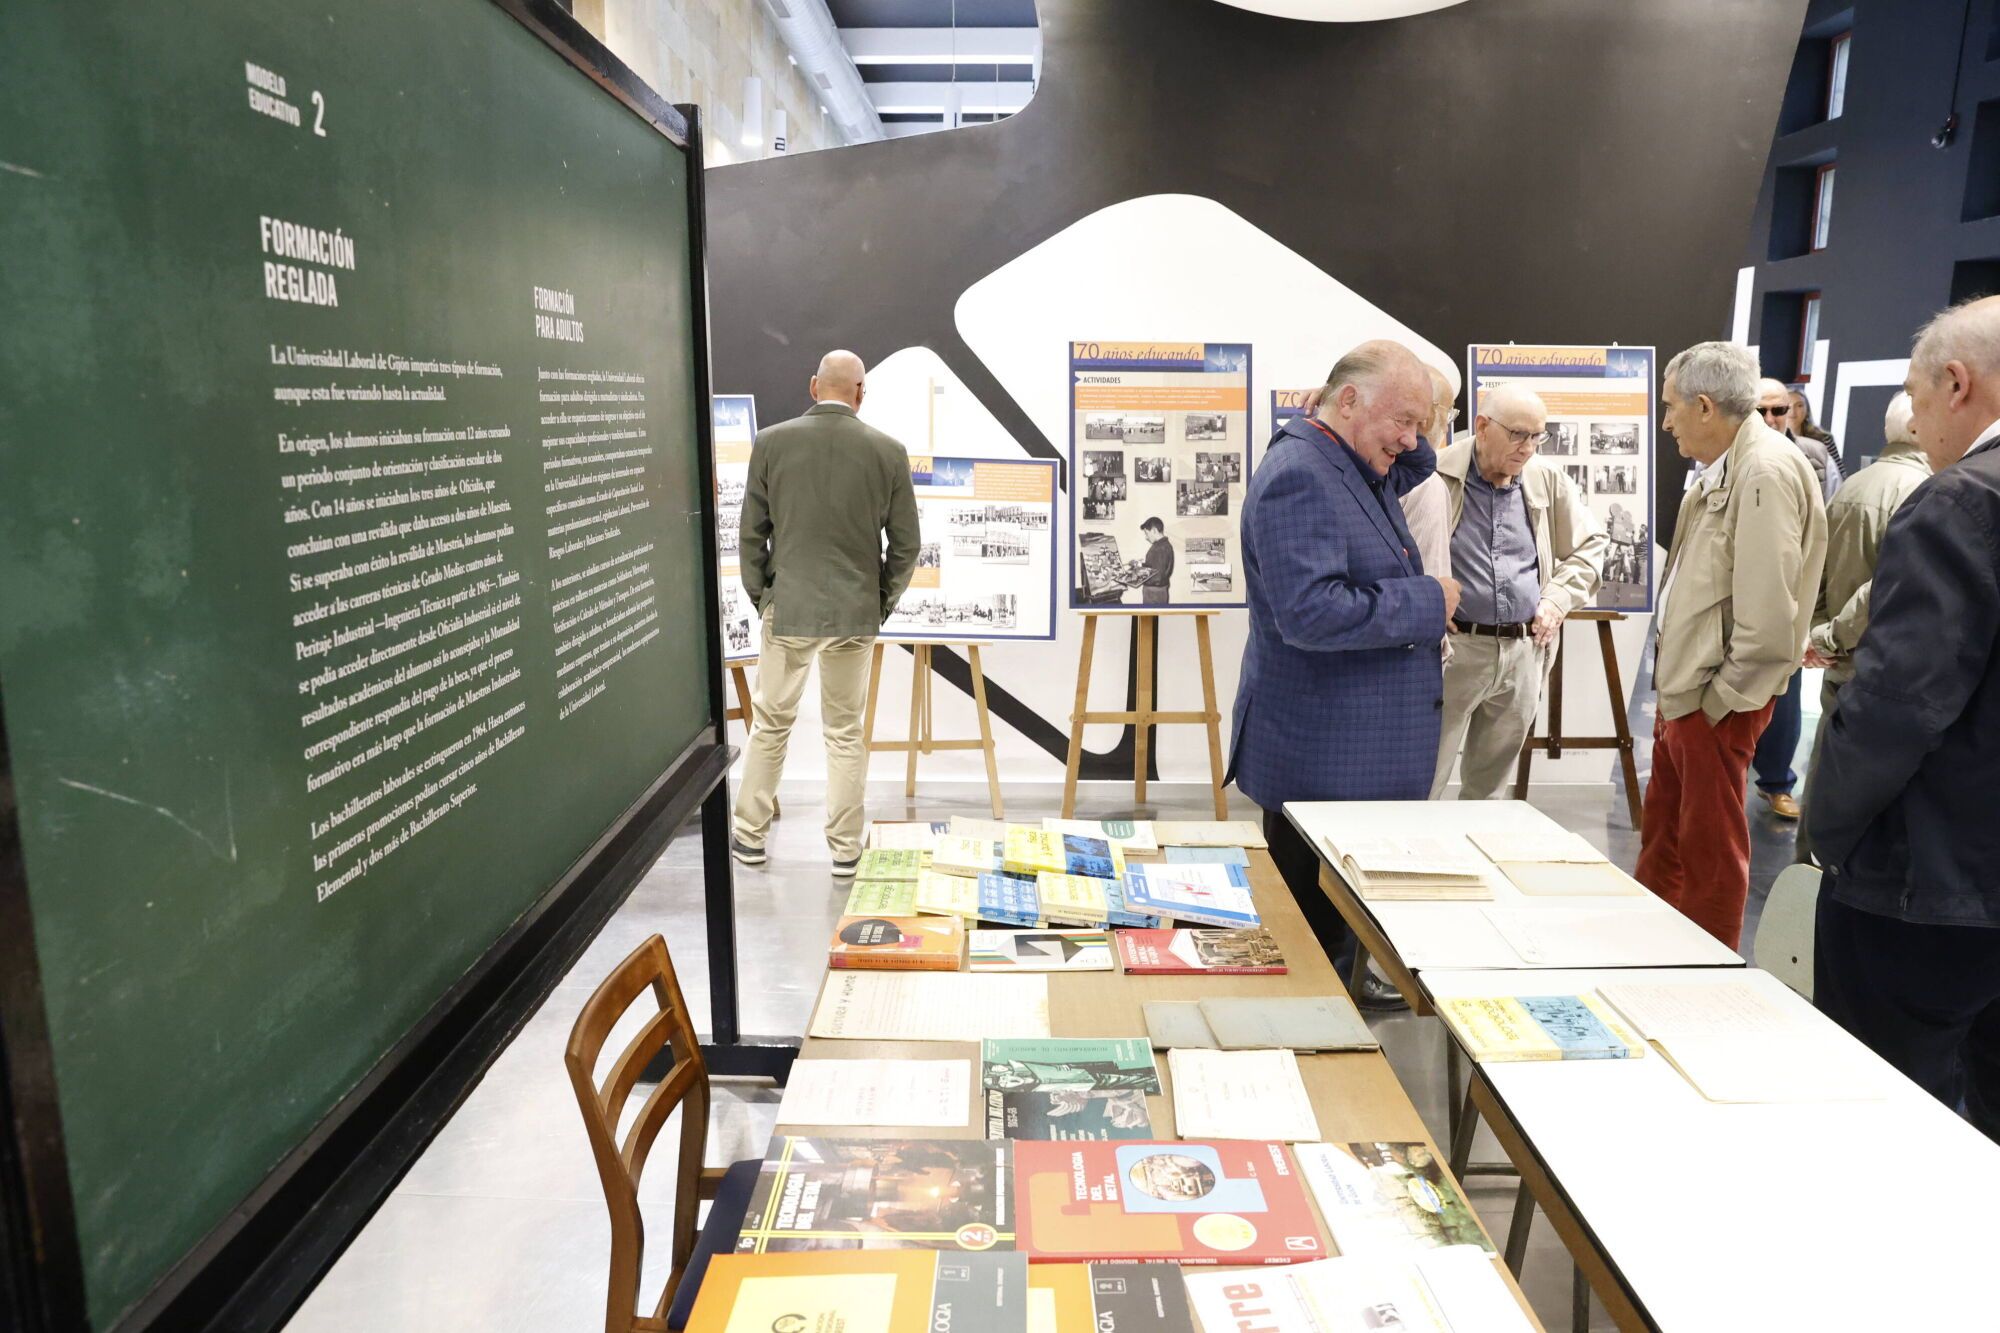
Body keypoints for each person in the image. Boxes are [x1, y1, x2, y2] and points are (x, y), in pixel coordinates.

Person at [1809, 296, 2000, 1142]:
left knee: (1882, 1124)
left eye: (1919, 405)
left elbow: (1896, 709)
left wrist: (1828, 830)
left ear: (1957, 384)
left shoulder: (1959, 502)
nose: (1918, 430)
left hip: (1925, 891)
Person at [1228, 340, 1460, 1009]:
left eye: (1419, 422)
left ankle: (1330, 1013)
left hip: (1343, 761)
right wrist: (1430, 600)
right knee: (1309, 955)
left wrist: (1371, 416)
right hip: (1323, 763)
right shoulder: (1304, 474)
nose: (1411, 439)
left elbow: (1415, 460)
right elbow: (1311, 614)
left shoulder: (1345, 456)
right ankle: (1315, 1044)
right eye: (1403, 420)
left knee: (1331, 939)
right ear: (1352, 401)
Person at [1638, 342, 1825, 949]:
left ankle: (1702, 973)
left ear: (1704, 405)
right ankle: (1650, 953)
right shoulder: (1730, 466)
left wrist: (1718, 702)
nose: (1666, 422)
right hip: (1689, 693)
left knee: (1709, 855)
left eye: (1670, 407)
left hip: (1712, 701)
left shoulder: (1763, 470)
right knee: (1669, 839)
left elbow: (1768, 617)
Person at [731, 350, 920, 876]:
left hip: (789, 608)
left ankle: (748, 836)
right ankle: (844, 849)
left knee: (770, 724)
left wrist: (764, 597)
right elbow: (906, 546)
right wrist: (880, 601)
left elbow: (751, 536)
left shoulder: (771, 443)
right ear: (860, 393)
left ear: (814, 386)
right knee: (845, 731)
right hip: (854, 612)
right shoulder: (888, 451)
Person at [1429, 384, 1607, 799]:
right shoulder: (1436, 474)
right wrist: (1427, 602)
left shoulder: (1545, 478)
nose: (1527, 447)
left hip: (1523, 652)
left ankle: (1476, 843)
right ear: (1482, 427)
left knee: (1490, 791)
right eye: (1517, 434)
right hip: (1454, 651)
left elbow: (1591, 544)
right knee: (1426, 776)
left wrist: (1557, 599)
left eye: (1537, 436)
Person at [1794, 392, 1930, 864]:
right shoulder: (1928, 493)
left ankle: (1806, 885)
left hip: (1841, 665)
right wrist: (1830, 636)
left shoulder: (1854, 484)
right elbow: (1885, 588)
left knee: (1823, 785)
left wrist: (1820, 636)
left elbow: (1817, 570)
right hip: (1885, 672)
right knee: (1869, 813)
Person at [1745, 378, 1834, 820]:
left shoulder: (1814, 455)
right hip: (1741, 589)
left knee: (1785, 690)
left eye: (1778, 410)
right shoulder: (1732, 456)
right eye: (1760, 411)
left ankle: (1777, 781)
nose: (1770, 419)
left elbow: (1829, 521)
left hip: (1792, 593)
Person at [1788, 387, 1844, 481]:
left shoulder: (1824, 439)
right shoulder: (1770, 439)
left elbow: (1839, 474)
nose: (1793, 411)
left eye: (1799, 405)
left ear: (1807, 410)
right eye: (1788, 406)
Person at [1135, 517, 1173, 605]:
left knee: (1150, 614)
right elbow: (1155, 567)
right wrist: (1139, 565)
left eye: (1147, 533)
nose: (1146, 537)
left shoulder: (1159, 548)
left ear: (1154, 530)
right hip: (1159, 591)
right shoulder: (1165, 545)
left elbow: (1157, 576)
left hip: (1153, 592)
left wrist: (1139, 573)